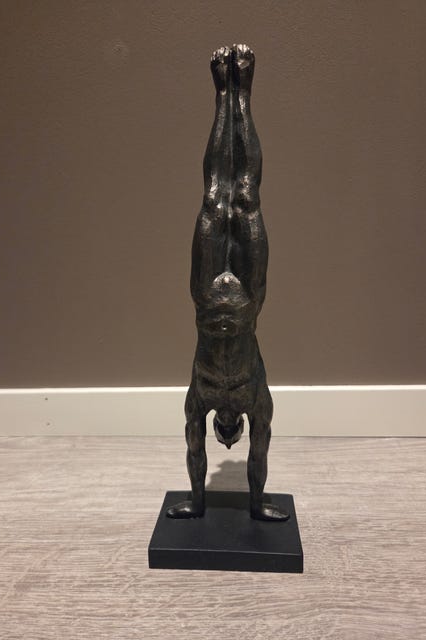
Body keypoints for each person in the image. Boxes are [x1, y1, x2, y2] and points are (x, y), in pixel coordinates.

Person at [167, 45, 288, 521]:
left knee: (217, 197)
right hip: (247, 298)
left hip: (207, 297)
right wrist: (256, 506)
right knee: (244, 197)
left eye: (225, 432)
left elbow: (194, 448)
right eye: (229, 431)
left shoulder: (201, 396)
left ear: (222, 427)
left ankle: (225, 94)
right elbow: (260, 448)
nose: (227, 430)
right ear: (234, 427)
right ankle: (241, 91)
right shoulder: (254, 396)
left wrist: (197, 503)